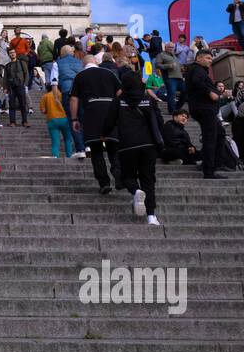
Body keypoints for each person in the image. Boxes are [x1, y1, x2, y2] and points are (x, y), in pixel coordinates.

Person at [115, 70, 164, 225]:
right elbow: (159, 121)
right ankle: (151, 216)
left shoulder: (118, 101)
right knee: (148, 180)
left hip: (126, 145)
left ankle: (136, 191)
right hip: (148, 145)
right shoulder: (148, 99)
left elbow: (109, 122)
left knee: (127, 176)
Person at [70, 46, 122, 193]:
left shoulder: (80, 76)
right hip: (110, 111)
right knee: (113, 146)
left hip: (92, 112)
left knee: (96, 149)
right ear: (96, 62)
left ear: (83, 64)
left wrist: (74, 119)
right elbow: (120, 92)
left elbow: (74, 99)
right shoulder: (109, 73)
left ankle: (104, 182)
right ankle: (118, 175)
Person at [184, 48, 230, 179]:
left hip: (207, 109)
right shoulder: (196, 69)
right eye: (208, 58)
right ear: (199, 58)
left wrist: (219, 93)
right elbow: (197, 82)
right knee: (210, 138)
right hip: (204, 109)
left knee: (220, 133)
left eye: (211, 58)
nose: (210, 61)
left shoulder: (200, 71)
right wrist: (210, 93)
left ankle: (215, 163)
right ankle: (209, 171)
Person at [40, 80, 75, 158]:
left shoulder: (45, 96)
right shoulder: (63, 95)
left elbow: (43, 110)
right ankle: (69, 156)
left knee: (55, 141)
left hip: (52, 120)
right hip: (65, 119)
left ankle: (55, 156)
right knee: (68, 140)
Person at [153, 43, 182, 114]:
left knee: (185, 92)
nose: (171, 48)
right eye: (169, 47)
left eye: (172, 47)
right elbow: (157, 65)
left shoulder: (174, 56)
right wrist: (168, 66)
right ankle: (172, 111)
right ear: (165, 47)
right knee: (171, 94)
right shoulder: (161, 55)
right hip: (170, 78)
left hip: (179, 78)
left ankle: (177, 107)